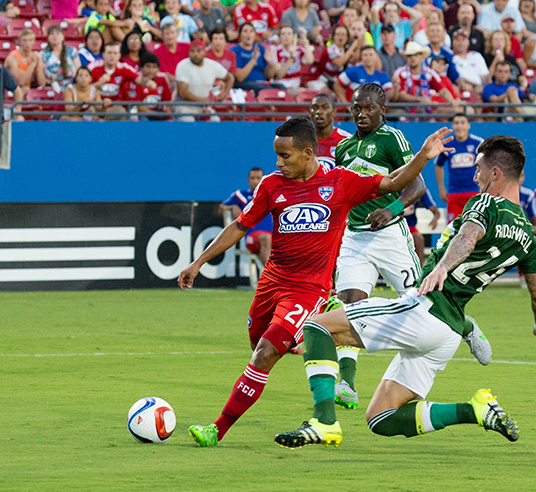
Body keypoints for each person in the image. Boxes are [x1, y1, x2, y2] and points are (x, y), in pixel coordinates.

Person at [179, 118, 454, 447]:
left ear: (308, 153)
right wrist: (198, 262)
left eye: (285, 156)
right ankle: (302, 337)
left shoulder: (340, 182)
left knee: (264, 354)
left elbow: (395, 181)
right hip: (271, 283)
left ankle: (217, 429)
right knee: (258, 344)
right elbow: (239, 226)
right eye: (277, 156)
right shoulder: (270, 185)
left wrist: (422, 156)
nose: (279, 163)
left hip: (308, 289)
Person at [273, 133, 536, 447]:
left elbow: (469, 236)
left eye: (478, 168)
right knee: (381, 418)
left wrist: (443, 266)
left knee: (316, 327)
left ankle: (323, 422)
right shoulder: (527, 233)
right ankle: (474, 410)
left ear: (495, 174)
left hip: (425, 310)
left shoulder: (486, 202)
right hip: (446, 334)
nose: (475, 175)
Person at [327, 83, 439, 409]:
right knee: (348, 307)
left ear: (382, 109)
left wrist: (390, 209)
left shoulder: (392, 139)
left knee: (422, 304)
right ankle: (346, 382)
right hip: (355, 238)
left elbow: (417, 185)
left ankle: (466, 327)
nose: (362, 114)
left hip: (390, 235)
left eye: (368, 108)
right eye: (357, 108)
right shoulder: (344, 148)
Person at [220, 167, 274, 268]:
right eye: (252, 178)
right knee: (266, 238)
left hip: (273, 237)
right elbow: (221, 208)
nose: (255, 181)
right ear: (248, 181)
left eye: (258, 178)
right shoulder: (241, 195)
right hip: (252, 237)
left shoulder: (271, 195)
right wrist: (233, 206)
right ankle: (272, 278)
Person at [435, 114, 483, 221]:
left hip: (474, 192)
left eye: (462, 123)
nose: (459, 126)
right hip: (454, 193)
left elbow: (487, 164)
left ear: (468, 126)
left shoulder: (478, 143)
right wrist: (441, 188)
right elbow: (438, 166)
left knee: (476, 226)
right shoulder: (447, 144)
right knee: (453, 229)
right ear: (452, 126)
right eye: (456, 123)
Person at [175, 38, 232, 120]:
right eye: (192, 51)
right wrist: (203, 100)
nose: (195, 54)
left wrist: (224, 94)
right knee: (188, 120)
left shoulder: (211, 65)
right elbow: (182, 93)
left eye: (198, 51)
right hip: (185, 105)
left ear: (204, 52)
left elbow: (230, 77)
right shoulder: (183, 65)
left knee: (216, 121)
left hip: (204, 106)